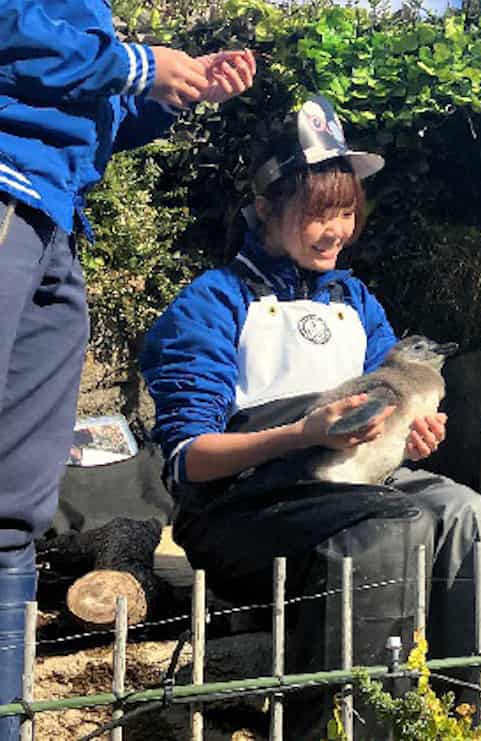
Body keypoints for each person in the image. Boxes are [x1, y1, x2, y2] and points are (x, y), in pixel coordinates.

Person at [138, 96, 481, 739]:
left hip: (360, 481)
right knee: (386, 527)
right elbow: (187, 462)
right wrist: (301, 434)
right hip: (246, 502)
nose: (336, 230)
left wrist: (413, 439)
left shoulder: (357, 301)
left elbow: (393, 416)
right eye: (318, 213)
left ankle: (466, 721)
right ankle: (349, 729)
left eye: (346, 213)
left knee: (478, 522)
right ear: (265, 206)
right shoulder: (214, 300)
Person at [0, 2, 254, 732]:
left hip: (55, 214)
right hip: (8, 185)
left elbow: (88, 115)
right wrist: (139, 64)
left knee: (14, 508)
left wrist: (172, 91)